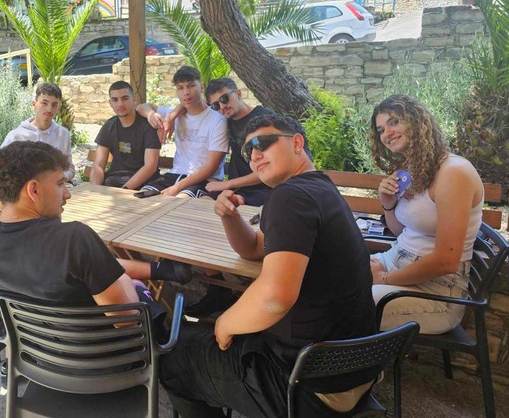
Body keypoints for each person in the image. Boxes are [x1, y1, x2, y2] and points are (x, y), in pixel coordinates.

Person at [160, 113, 377, 418]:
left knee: (175, 361)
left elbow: (275, 298)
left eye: (264, 143)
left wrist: (225, 323)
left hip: (306, 382)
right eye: (248, 150)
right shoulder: (319, 189)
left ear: (297, 143)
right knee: (207, 338)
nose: (255, 155)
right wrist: (231, 218)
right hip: (354, 368)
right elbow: (254, 248)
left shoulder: (289, 197)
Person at [0, 141, 191, 313]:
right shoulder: (73, 240)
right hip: (104, 358)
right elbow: (127, 319)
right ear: (34, 190)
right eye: (61, 184)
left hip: (34, 358)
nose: (67, 194)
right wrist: (128, 283)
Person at [369, 94, 483, 334]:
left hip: (437, 291)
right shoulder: (413, 169)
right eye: (381, 129)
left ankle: (358, 362)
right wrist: (388, 204)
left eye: (394, 122)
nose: (387, 133)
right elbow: (400, 231)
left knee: (349, 303)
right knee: (336, 277)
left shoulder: (454, 173)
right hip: (397, 260)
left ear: (416, 122)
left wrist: (384, 278)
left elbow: (446, 261)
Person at [136, 66, 228, 198]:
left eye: (191, 86)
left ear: (201, 86)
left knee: (179, 201)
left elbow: (211, 167)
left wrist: (177, 188)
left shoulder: (217, 120)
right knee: (142, 196)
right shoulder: (175, 114)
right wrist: (151, 115)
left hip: (204, 180)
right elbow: (141, 107)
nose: (186, 92)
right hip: (174, 175)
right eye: (180, 88)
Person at [203, 78, 272, 207]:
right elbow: (193, 101)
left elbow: (270, 169)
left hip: (262, 188)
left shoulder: (264, 119)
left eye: (224, 99)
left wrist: (226, 184)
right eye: (216, 105)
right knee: (201, 203)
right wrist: (173, 115)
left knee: (227, 207)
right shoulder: (225, 120)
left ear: (238, 94)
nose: (222, 106)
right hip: (235, 188)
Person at [90, 80, 161, 189]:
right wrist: (94, 190)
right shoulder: (109, 126)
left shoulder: (148, 127)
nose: (120, 104)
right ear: (110, 103)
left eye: (125, 98)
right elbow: (98, 165)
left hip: (143, 185)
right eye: (115, 100)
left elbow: (150, 167)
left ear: (134, 99)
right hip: (113, 183)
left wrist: (123, 191)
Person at [1, 82, 76, 181]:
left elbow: (69, 168)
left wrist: (60, 178)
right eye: (44, 103)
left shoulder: (63, 134)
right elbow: (0, 167)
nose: (49, 109)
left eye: (54, 105)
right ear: (34, 104)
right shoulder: (16, 136)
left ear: (58, 108)